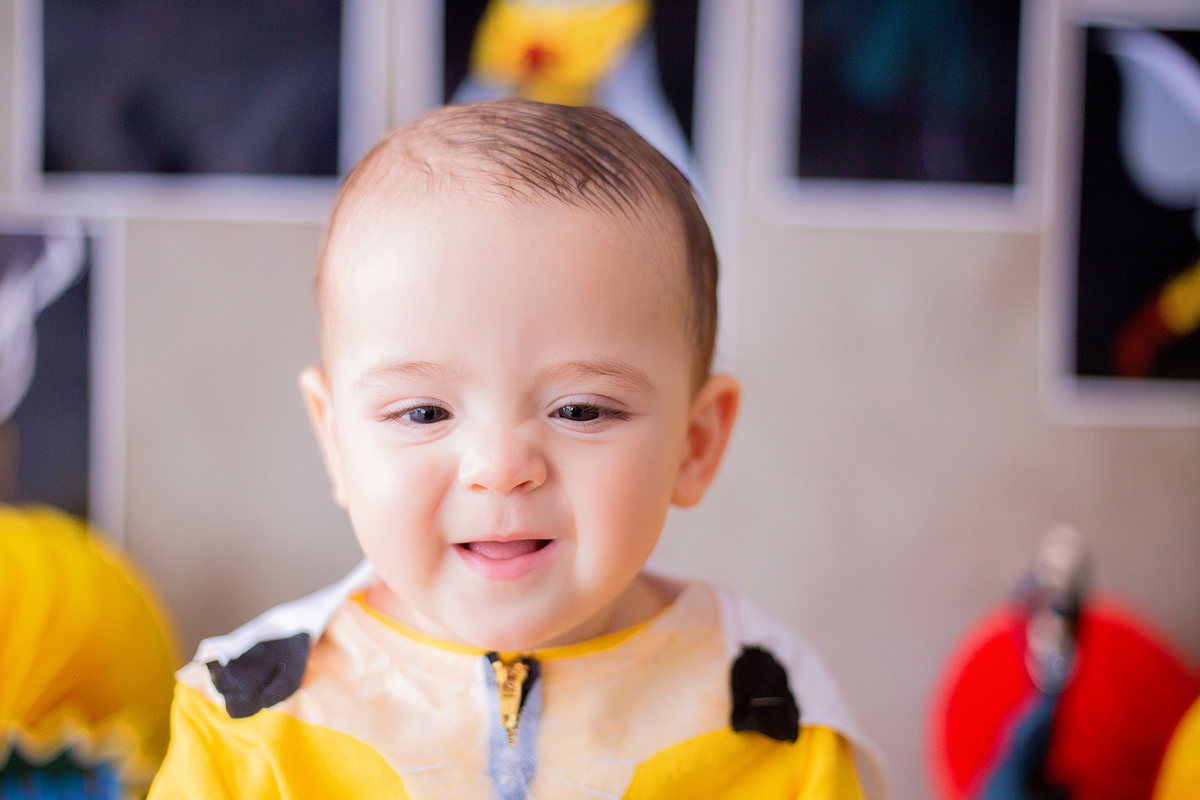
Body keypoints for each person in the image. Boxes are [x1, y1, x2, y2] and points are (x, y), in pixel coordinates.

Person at [148, 99, 884, 800]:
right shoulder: (256, 718)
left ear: (695, 444)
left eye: (580, 409)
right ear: (334, 438)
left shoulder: (767, 714)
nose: (500, 468)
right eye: (425, 411)